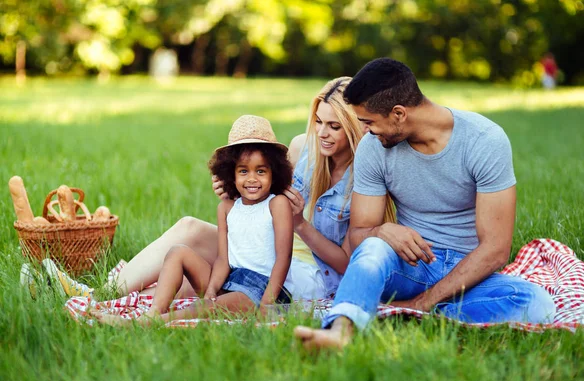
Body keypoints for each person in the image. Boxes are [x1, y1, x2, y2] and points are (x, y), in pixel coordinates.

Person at [25, 77, 378, 307]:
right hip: (263, 244)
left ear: (353, 126)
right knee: (190, 229)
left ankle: (93, 299)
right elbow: (263, 185)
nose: (324, 133)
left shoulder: (364, 177)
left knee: (194, 285)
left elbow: (348, 263)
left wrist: (301, 225)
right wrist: (234, 190)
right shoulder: (304, 148)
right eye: (319, 122)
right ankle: (99, 295)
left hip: (306, 272)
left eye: (334, 126)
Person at [294, 58, 557, 350]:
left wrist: (423, 302)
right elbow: (359, 235)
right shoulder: (373, 148)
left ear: (398, 114)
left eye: (369, 122)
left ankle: (409, 313)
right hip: (408, 264)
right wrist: (381, 232)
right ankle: (340, 331)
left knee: (537, 304)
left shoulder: (484, 141)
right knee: (372, 248)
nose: (365, 131)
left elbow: (495, 250)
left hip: (465, 273)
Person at [94, 115, 294, 325]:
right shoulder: (226, 208)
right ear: (230, 174)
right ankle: (154, 312)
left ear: (274, 172)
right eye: (243, 171)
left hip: (262, 288)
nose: (252, 178)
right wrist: (211, 289)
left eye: (261, 171)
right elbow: (223, 261)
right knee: (177, 252)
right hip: (231, 279)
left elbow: (284, 257)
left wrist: (267, 303)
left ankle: (147, 323)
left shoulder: (276, 204)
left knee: (203, 308)